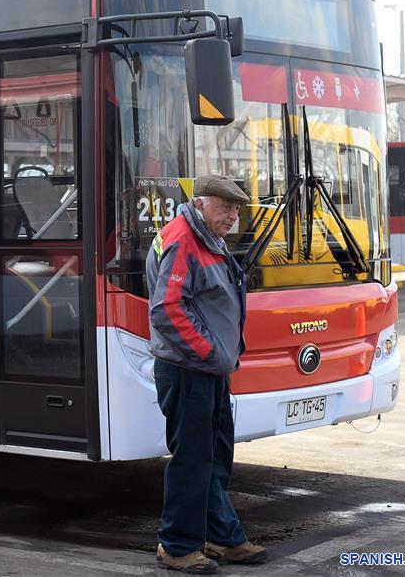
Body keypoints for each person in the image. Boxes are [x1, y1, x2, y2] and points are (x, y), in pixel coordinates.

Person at [146, 174, 267, 574]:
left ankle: (222, 537)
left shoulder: (206, 239)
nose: (232, 215)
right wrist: (211, 352)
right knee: (193, 459)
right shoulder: (183, 238)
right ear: (200, 203)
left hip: (208, 371)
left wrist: (220, 358)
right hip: (189, 371)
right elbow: (167, 309)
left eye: (235, 209)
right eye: (224, 206)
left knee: (215, 458)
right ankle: (177, 546)